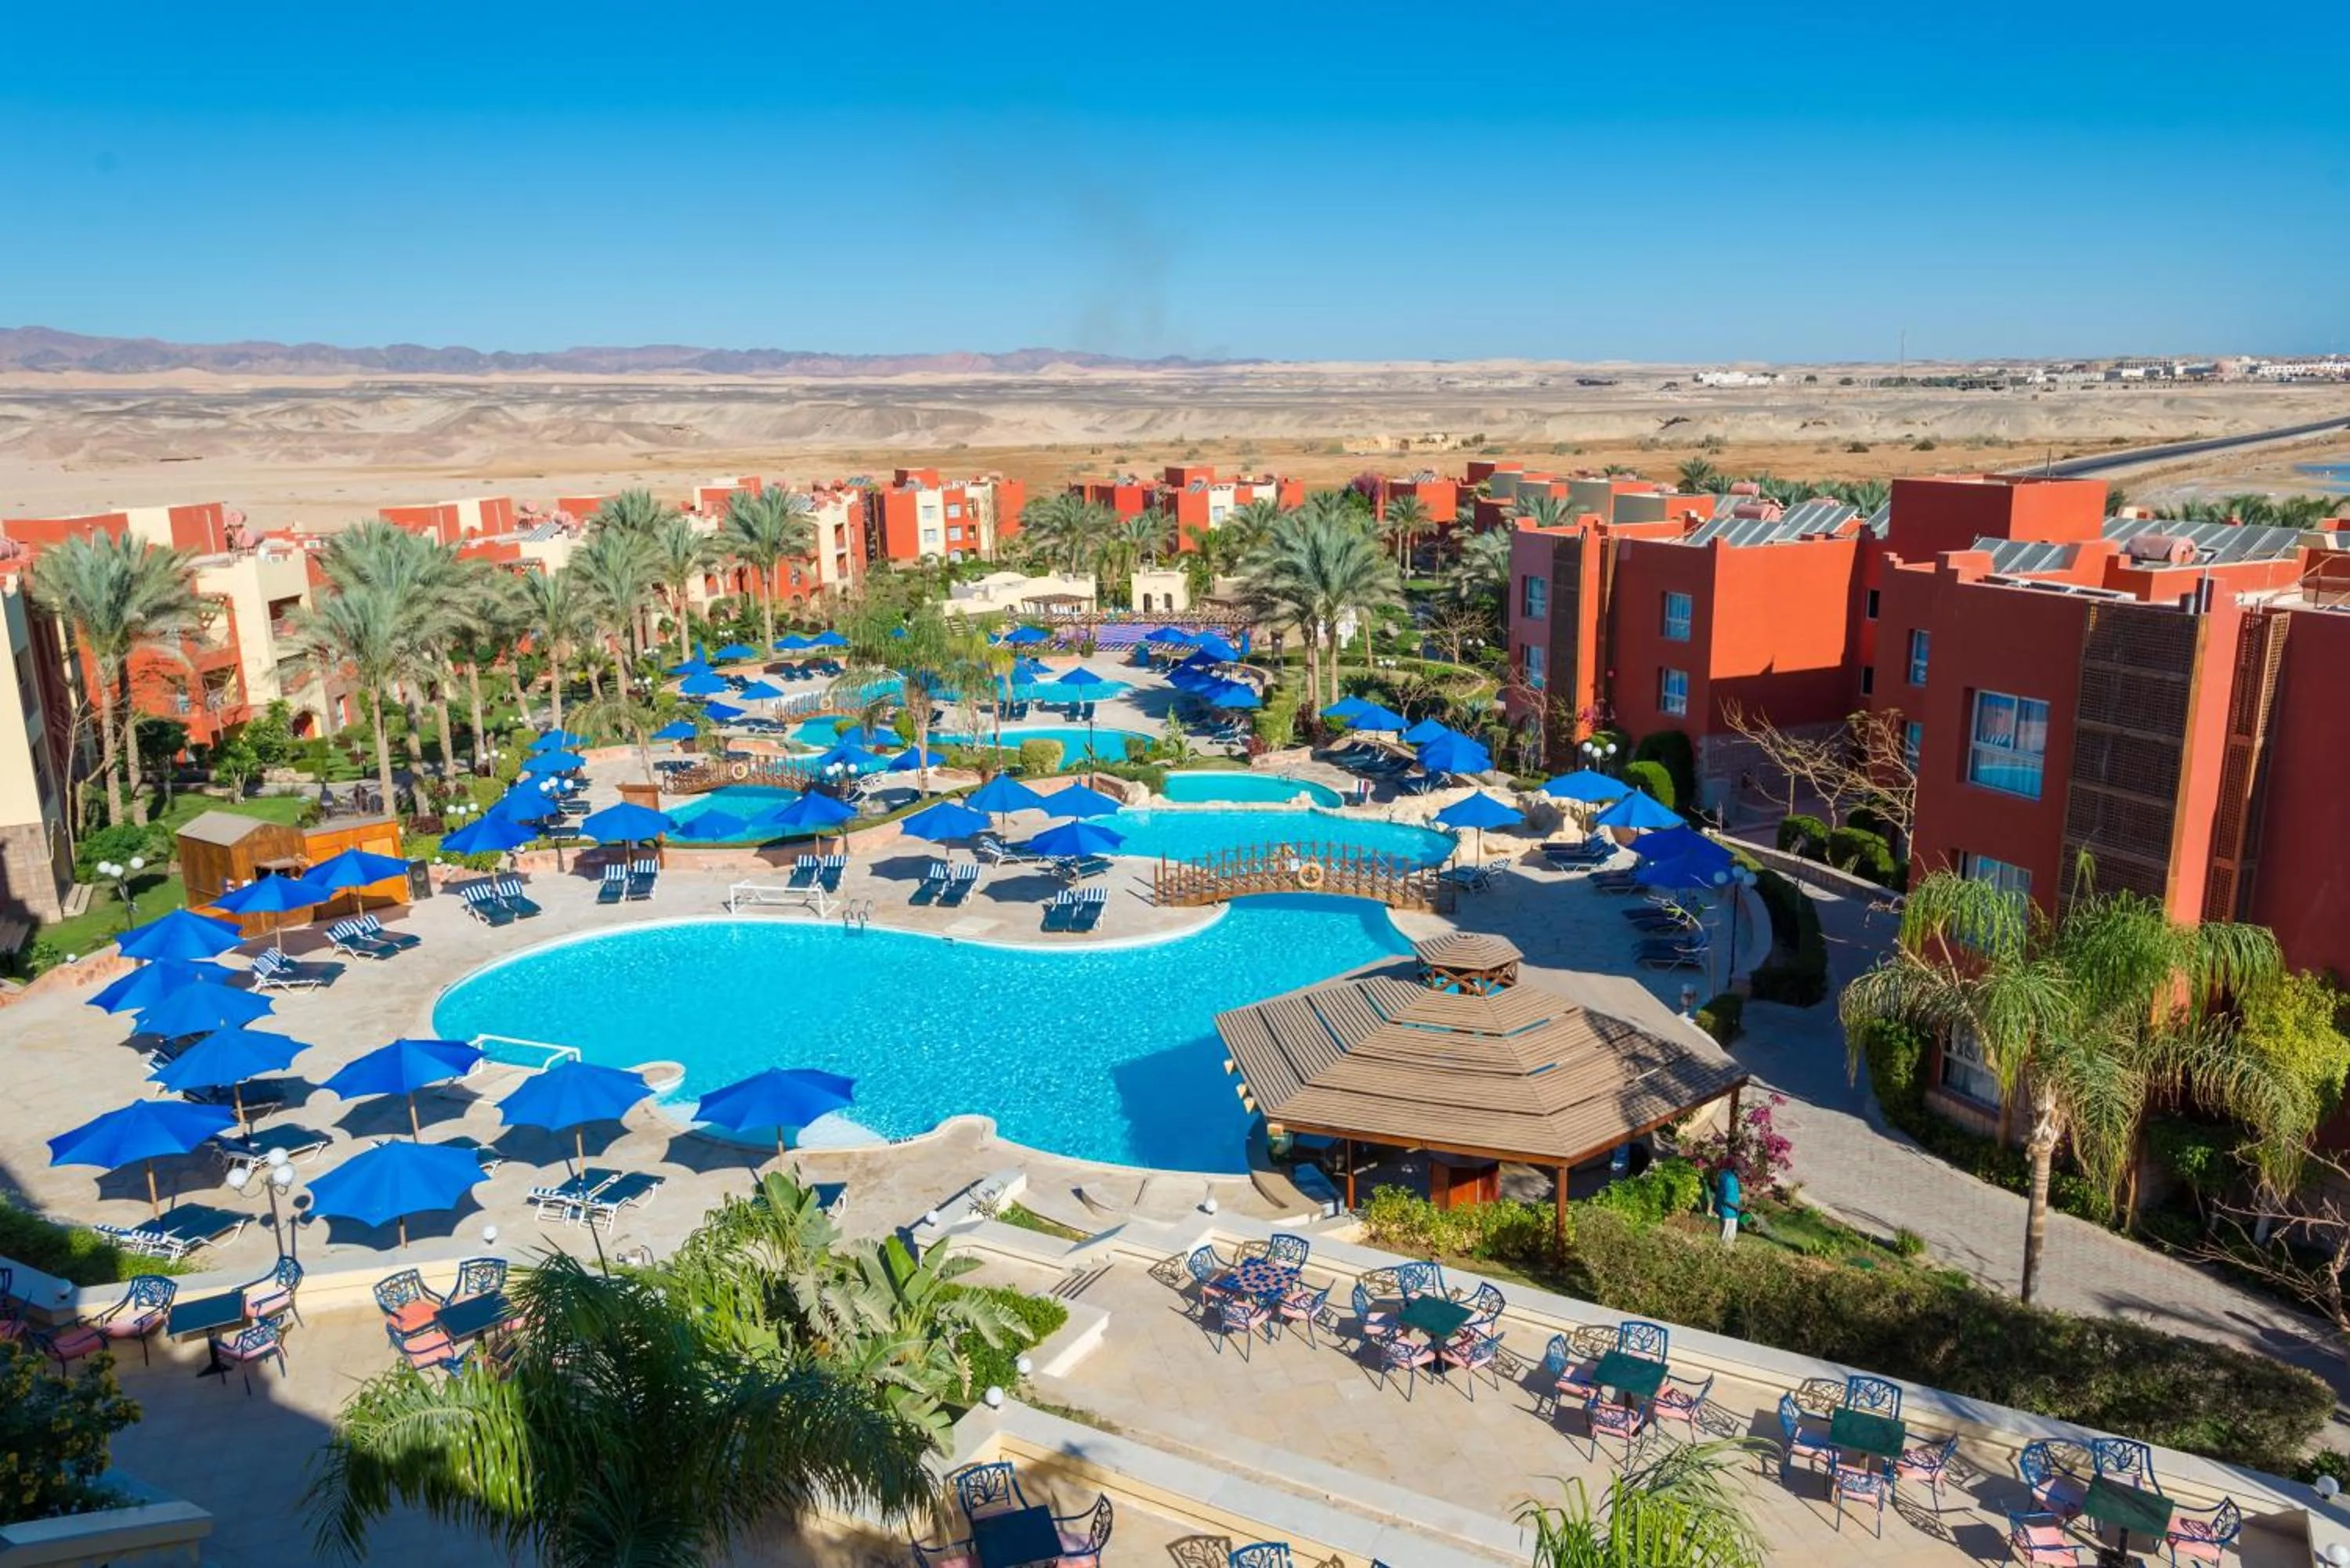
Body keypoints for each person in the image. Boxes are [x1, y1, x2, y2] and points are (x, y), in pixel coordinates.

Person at [1716, 1165, 1742, 1245]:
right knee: (1726, 1239)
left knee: (1730, 1238)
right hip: (1728, 1213)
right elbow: (1727, 1200)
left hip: (1732, 1213)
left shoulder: (1731, 1179)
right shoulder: (1729, 1180)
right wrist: (1740, 1208)